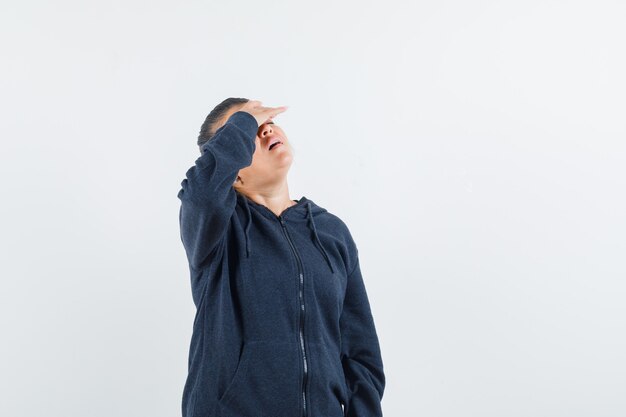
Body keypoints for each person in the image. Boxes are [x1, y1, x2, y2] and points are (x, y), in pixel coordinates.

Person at [177, 98, 385, 417]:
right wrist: (243, 120)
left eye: (266, 123)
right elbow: (201, 194)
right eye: (249, 131)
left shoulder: (331, 233)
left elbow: (361, 355)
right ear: (232, 173)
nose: (265, 130)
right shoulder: (218, 230)